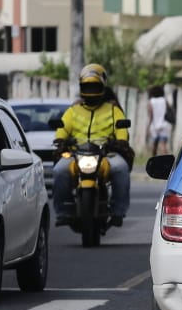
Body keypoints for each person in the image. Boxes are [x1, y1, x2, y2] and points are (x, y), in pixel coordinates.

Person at [53, 64, 132, 227]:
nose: (91, 90)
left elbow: (121, 130)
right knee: (59, 170)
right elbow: (62, 129)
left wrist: (120, 141)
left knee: (121, 168)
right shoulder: (73, 111)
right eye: (88, 86)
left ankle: (118, 211)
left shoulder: (113, 110)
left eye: (94, 86)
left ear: (102, 86)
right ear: (82, 87)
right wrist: (61, 140)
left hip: (106, 153)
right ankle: (63, 212)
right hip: (76, 153)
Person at [147, 84, 172, 157]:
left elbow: (151, 116)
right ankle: (165, 161)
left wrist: (148, 127)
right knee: (163, 145)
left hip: (154, 126)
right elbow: (170, 110)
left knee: (154, 145)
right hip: (164, 125)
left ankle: (153, 161)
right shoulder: (164, 100)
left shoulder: (151, 102)